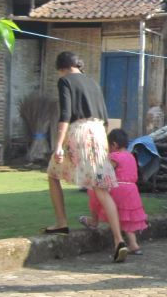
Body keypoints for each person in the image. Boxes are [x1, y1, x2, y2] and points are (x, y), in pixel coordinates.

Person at [45, 51, 128, 263]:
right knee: (100, 186)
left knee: (53, 173)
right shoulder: (93, 83)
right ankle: (119, 240)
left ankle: (61, 222)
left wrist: (58, 145)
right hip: (99, 133)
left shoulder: (65, 81)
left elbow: (65, 115)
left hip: (79, 131)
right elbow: (105, 117)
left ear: (62, 68)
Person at [80, 128, 147, 254]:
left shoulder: (114, 157)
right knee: (128, 218)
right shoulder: (131, 156)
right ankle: (134, 244)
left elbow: (104, 172)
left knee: (95, 194)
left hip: (118, 188)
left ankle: (93, 221)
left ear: (114, 145)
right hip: (132, 190)